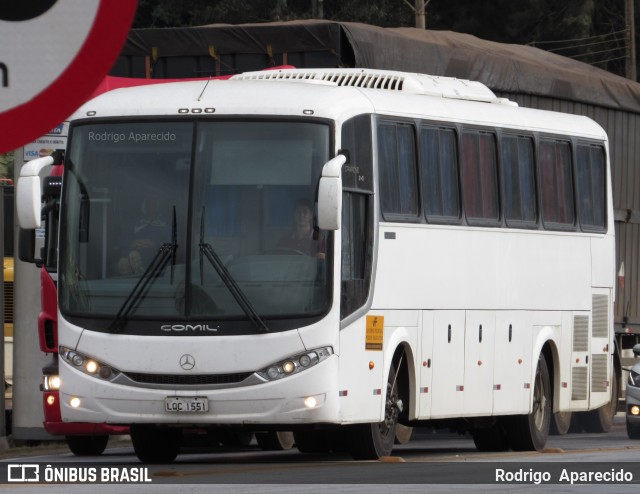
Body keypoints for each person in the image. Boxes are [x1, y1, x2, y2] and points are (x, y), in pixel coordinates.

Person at [117, 193, 169, 275]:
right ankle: (131, 267)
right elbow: (120, 242)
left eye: (154, 202)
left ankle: (138, 269)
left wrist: (155, 245)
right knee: (130, 256)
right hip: (134, 254)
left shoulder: (168, 225)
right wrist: (131, 244)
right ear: (144, 205)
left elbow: (172, 246)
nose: (152, 205)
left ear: (160, 205)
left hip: (156, 260)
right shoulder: (135, 223)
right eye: (149, 203)